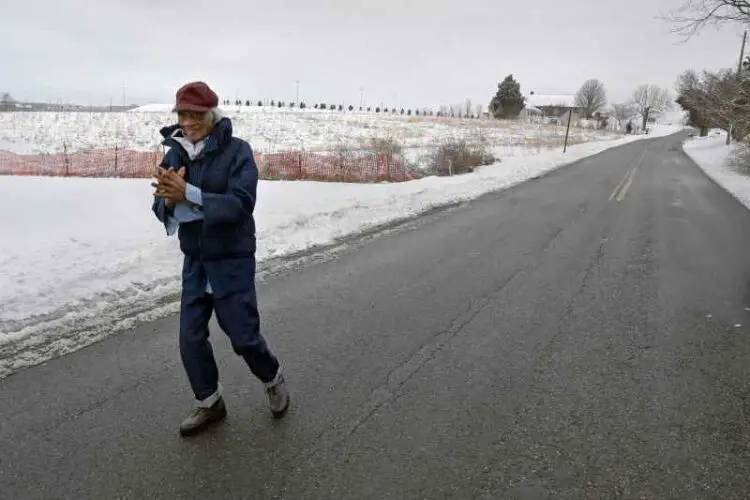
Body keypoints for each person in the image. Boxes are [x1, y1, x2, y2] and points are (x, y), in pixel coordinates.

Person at [151, 81, 289, 437]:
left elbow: (241, 203)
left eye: (195, 114)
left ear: (212, 114)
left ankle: (272, 376)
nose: (188, 121)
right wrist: (167, 200)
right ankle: (210, 403)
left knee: (242, 336)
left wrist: (189, 194)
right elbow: (161, 203)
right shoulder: (175, 154)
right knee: (190, 338)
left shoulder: (238, 151)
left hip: (231, 260)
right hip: (196, 259)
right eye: (183, 114)